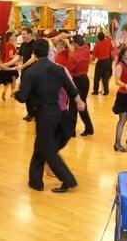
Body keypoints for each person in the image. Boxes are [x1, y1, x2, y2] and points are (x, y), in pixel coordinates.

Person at [15, 39, 86, 193]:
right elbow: (71, 88)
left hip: (43, 114)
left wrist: (16, 93)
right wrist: (79, 101)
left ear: (34, 53)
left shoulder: (30, 72)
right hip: (57, 111)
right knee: (39, 147)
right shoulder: (58, 69)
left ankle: (68, 180)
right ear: (48, 51)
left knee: (47, 150)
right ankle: (35, 181)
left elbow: (22, 97)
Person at [3, 27, 36, 121]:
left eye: (25, 34)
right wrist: (8, 64)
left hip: (34, 72)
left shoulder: (35, 44)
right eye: (22, 34)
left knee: (34, 93)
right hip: (25, 72)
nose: (23, 35)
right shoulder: (23, 45)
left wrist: (22, 66)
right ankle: (30, 113)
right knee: (26, 92)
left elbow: (33, 58)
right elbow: (18, 57)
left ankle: (35, 113)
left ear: (30, 34)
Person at [63, 35, 94, 137]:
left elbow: (68, 69)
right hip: (85, 80)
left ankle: (71, 131)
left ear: (76, 44)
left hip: (77, 81)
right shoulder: (86, 49)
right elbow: (74, 51)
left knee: (73, 105)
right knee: (82, 104)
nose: (72, 45)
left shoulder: (74, 56)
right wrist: (69, 39)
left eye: (73, 43)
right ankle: (89, 128)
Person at [0, 32, 19, 100]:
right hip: (11, 64)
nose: (14, 37)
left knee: (9, 80)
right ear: (9, 37)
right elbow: (11, 56)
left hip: (6, 63)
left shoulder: (5, 45)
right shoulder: (11, 45)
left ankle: (4, 91)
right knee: (13, 79)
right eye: (13, 36)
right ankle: (12, 94)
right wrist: (18, 56)